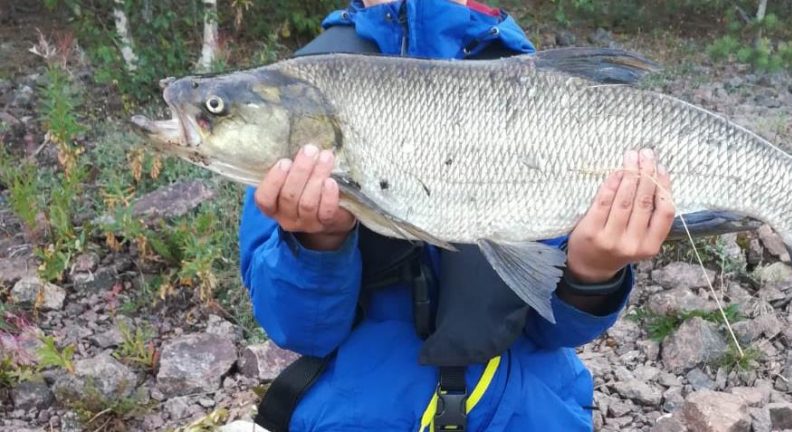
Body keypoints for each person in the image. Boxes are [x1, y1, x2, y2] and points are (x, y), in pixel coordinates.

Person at [239, 0, 676, 430]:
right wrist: (318, 242)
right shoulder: (302, 91)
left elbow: (556, 331)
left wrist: (592, 274)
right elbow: (300, 332)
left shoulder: (535, 84)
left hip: (528, 413)